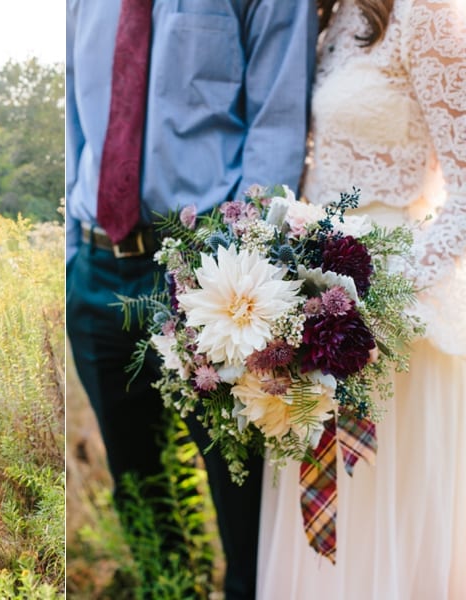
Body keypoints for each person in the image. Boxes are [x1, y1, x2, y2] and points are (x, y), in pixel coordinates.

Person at [65, 2, 317, 598]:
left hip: (209, 273)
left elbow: (277, 123)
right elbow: (77, 111)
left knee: (243, 500)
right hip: (96, 268)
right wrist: (73, 248)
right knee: (143, 490)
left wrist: (243, 263)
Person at [257, 1, 466, 598]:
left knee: (380, 513)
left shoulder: (426, 15)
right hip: (319, 302)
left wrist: (391, 297)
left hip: (400, 316)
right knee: (326, 510)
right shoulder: (328, 17)